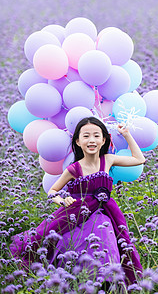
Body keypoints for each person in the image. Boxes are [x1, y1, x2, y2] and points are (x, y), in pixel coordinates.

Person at [10, 116, 145, 287]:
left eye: (97, 136)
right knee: (72, 244)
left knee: (109, 242)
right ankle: (80, 282)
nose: (92, 140)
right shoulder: (74, 168)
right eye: (86, 136)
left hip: (105, 212)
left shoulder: (108, 160)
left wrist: (126, 134)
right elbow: (52, 191)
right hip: (78, 212)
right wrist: (61, 200)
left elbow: (139, 159)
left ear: (104, 140)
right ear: (78, 141)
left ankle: (107, 283)